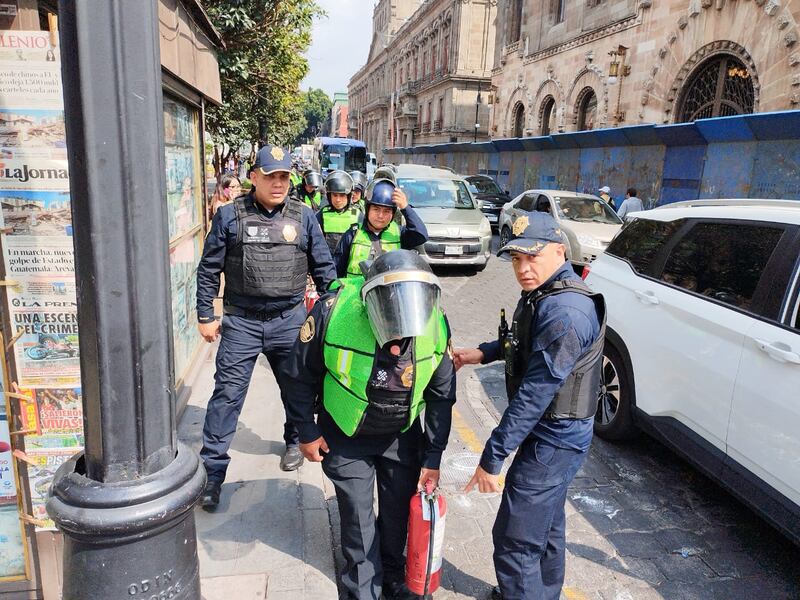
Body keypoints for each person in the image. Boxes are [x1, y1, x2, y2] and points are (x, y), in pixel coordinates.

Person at [285, 250, 456, 600]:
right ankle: (362, 588)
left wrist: (433, 456)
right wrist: (306, 430)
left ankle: (392, 575)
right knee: (359, 521)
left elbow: (441, 397)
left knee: (396, 516)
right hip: (346, 434)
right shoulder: (335, 314)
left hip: (401, 435)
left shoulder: (435, 326)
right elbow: (298, 373)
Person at [454, 212, 605, 600]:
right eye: (517, 259)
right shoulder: (548, 292)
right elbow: (523, 344)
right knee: (546, 526)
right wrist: (482, 354)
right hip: (552, 433)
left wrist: (492, 457)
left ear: (560, 251)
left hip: (553, 439)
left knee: (514, 539)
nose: (523, 269)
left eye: (531, 258)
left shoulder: (566, 313)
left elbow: (534, 395)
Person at [196, 144, 337, 510]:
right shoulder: (229, 216)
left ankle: (294, 439)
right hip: (241, 320)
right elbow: (209, 269)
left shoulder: (304, 217)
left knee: (298, 389)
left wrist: (332, 314)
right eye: (270, 176)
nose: (278, 183)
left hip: (289, 320)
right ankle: (211, 474)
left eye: (283, 177)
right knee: (227, 396)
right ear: (253, 177)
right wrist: (205, 315)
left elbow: (324, 270)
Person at [333, 176, 428, 278]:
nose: (380, 216)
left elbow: (421, 235)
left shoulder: (399, 233)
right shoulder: (352, 234)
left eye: (387, 211)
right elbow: (336, 269)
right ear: (368, 209)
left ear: (393, 214)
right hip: (356, 293)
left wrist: (405, 207)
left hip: (389, 292)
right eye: (376, 209)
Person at [317, 170, 362, 254]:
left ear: (348, 196)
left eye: (342, 195)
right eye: (335, 195)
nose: (338, 200)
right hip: (327, 263)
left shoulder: (357, 214)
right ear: (329, 196)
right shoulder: (322, 214)